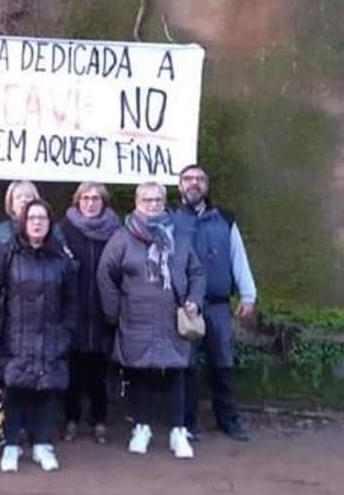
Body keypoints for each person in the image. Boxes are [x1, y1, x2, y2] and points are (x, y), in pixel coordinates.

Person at [97, 182, 205, 459]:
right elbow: (105, 275)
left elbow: (196, 273)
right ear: (136, 203)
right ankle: (141, 428)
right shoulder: (122, 238)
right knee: (141, 373)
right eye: (147, 200)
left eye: (158, 199)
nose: (153, 204)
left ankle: (178, 431)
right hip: (136, 318)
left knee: (177, 373)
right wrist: (114, 312)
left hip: (174, 318)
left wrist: (194, 299)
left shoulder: (179, 236)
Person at [0, 199, 77, 473]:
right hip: (14, 334)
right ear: (22, 222)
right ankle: (11, 445)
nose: (37, 223)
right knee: (15, 390)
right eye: (32, 218)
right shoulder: (8, 253)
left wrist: (67, 331)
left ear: (50, 223)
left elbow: (72, 300)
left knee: (45, 391)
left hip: (52, 336)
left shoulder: (61, 258)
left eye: (42, 218)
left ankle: (42, 444)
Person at [174, 164, 257, 442]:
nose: (193, 184)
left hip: (218, 305)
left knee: (222, 364)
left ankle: (229, 421)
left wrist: (248, 294)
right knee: (186, 366)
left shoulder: (224, 219)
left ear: (207, 186)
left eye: (199, 179)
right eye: (188, 179)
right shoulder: (169, 218)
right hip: (184, 306)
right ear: (179, 186)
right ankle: (188, 423)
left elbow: (238, 257)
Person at [57, 182, 121, 445]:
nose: (91, 203)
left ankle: (100, 420)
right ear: (77, 201)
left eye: (96, 198)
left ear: (103, 202)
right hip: (73, 308)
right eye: (86, 198)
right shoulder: (64, 230)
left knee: (99, 371)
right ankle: (71, 419)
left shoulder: (115, 231)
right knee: (72, 370)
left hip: (103, 309)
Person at [0, 180, 40, 246]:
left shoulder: (48, 229)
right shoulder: (0, 232)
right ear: (11, 205)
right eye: (18, 197)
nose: (23, 200)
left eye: (28, 196)